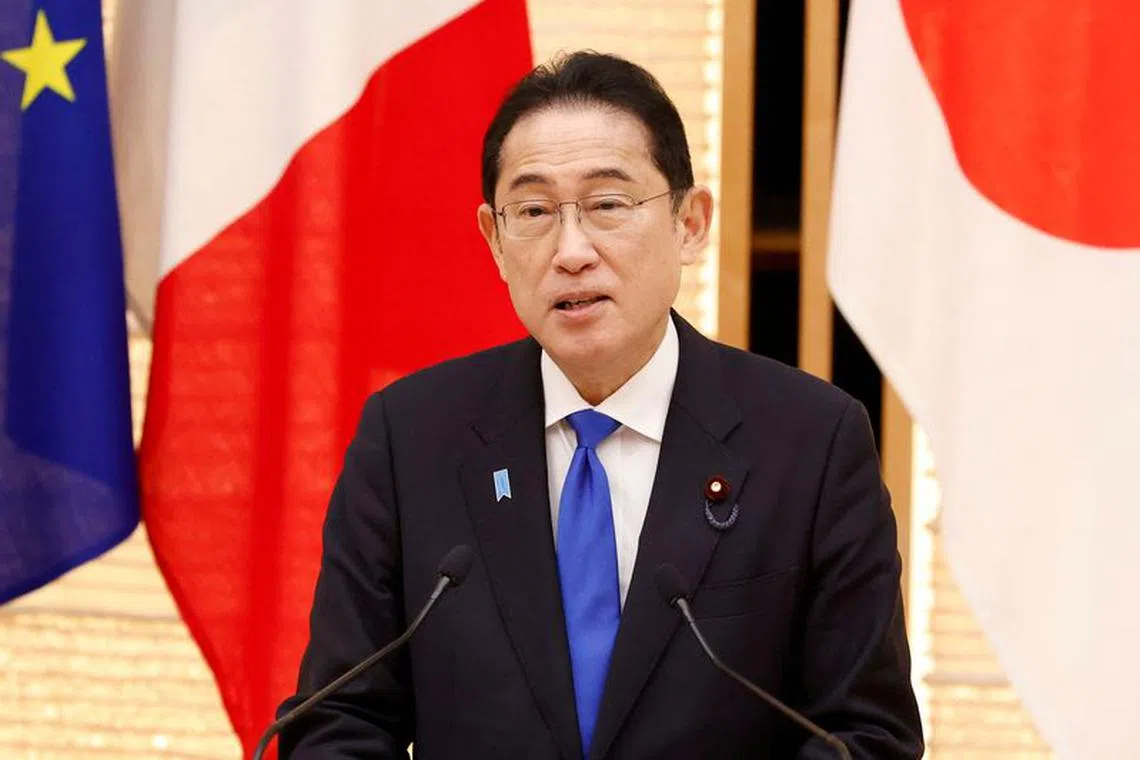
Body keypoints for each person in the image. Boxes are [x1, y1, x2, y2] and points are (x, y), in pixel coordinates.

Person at [278, 51, 923, 759]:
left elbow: (865, 737)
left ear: (691, 223)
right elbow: (335, 722)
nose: (572, 251)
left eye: (608, 205)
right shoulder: (410, 439)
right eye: (534, 211)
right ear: (494, 240)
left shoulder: (813, 441)